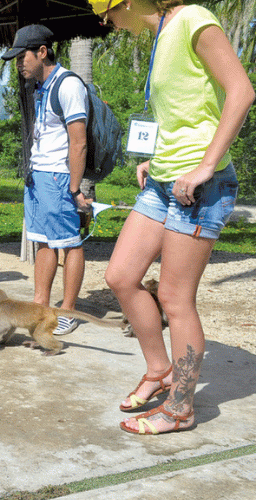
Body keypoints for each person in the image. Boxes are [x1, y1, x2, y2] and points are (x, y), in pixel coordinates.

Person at [92, 0, 254, 434]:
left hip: (200, 185)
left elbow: (242, 91)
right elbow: (181, 112)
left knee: (175, 299)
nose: (107, 24)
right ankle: (159, 368)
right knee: (121, 276)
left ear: (123, 2)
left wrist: (204, 166)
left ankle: (180, 408)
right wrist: (154, 159)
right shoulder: (163, 31)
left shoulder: (193, 19)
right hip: (163, 181)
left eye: (105, 14)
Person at [0, 24, 91, 333]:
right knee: (43, 241)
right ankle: (41, 307)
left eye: (22, 56)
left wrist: (75, 188)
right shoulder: (41, 86)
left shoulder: (68, 85)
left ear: (42, 52)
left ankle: (68, 310)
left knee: (69, 243)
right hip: (38, 176)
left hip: (59, 177)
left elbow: (78, 142)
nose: (18, 63)